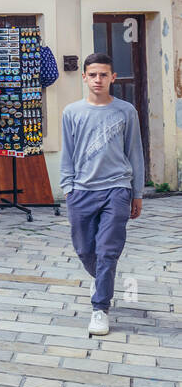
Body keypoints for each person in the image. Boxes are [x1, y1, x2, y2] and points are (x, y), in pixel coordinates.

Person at [59, 52, 144, 337]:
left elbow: (135, 152)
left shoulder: (125, 111)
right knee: (85, 250)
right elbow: (67, 153)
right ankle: (102, 280)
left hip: (117, 189)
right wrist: (68, 188)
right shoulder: (72, 112)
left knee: (108, 250)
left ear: (113, 78)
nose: (98, 79)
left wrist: (137, 193)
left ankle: (100, 308)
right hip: (81, 190)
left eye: (103, 74)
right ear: (84, 77)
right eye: (92, 74)